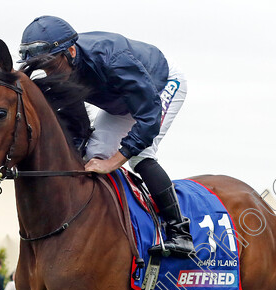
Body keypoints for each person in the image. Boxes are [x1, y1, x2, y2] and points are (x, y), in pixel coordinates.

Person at [18, 16, 194, 257]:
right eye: (43, 67)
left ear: (70, 51)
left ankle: (180, 233)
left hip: (159, 85)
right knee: (91, 157)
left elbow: (149, 117)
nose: (49, 73)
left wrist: (114, 161)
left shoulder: (113, 58)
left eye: (51, 65)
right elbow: (76, 119)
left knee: (140, 156)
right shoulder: (64, 62)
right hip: (121, 101)